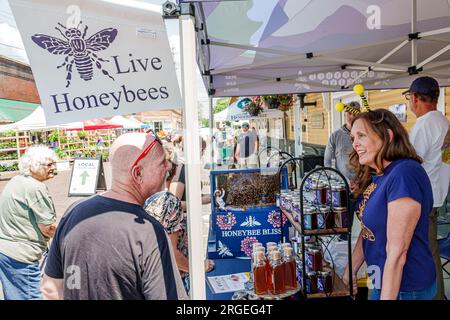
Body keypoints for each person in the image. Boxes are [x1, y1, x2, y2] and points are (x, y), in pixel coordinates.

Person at [40, 133, 188, 300]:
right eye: (162, 162)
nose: (168, 166)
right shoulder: (150, 232)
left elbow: (50, 289)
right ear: (137, 173)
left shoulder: (74, 212)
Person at [343, 109, 436, 300]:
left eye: (361, 135)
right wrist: (351, 269)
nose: (355, 143)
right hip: (380, 280)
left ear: (387, 135)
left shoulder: (404, 174)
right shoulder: (379, 174)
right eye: (353, 137)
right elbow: (369, 228)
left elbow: (398, 252)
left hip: (406, 288)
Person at [144, 144, 214, 295]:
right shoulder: (168, 201)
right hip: (172, 281)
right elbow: (172, 254)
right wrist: (197, 269)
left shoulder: (146, 198)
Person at [403, 76, 450, 300]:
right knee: (430, 253)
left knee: (426, 255)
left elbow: (409, 163)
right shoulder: (444, 122)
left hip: (423, 199)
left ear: (414, 98)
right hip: (437, 197)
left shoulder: (424, 125)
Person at [0, 146, 57, 300]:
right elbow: (47, 228)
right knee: (31, 295)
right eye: (49, 165)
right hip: (22, 254)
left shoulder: (16, 180)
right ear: (33, 166)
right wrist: (70, 233)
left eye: (54, 164)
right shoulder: (35, 187)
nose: (53, 168)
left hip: (5, 250)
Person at [324, 101, 361, 183]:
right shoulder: (335, 136)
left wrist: (361, 181)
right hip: (342, 184)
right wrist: (338, 179)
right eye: (349, 113)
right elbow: (327, 162)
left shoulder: (365, 134)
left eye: (355, 114)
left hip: (362, 183)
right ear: (344, 114)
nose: (352, 116)